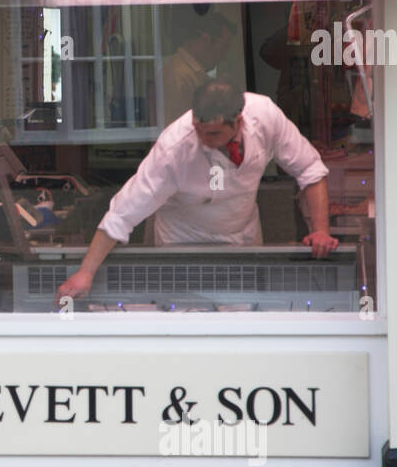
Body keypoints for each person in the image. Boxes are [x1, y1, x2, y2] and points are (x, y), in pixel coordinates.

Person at [55, 78, 338, 305]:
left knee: (244, 324)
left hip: (244, 241)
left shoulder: (265, 116)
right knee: (185, 325)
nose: (203, 140)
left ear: (238, 122)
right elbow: (123, 214)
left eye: (213, 134)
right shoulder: (173, 148)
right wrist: (85, 272)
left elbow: (311, 170)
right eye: (198, 129)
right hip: (181, 246)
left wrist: (321, 229)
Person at [159, 11, 243, 125]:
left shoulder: (188, 73)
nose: (224, 57)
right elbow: (176, 127)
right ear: (205, 40)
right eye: (224, 47)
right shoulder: (179, 75)